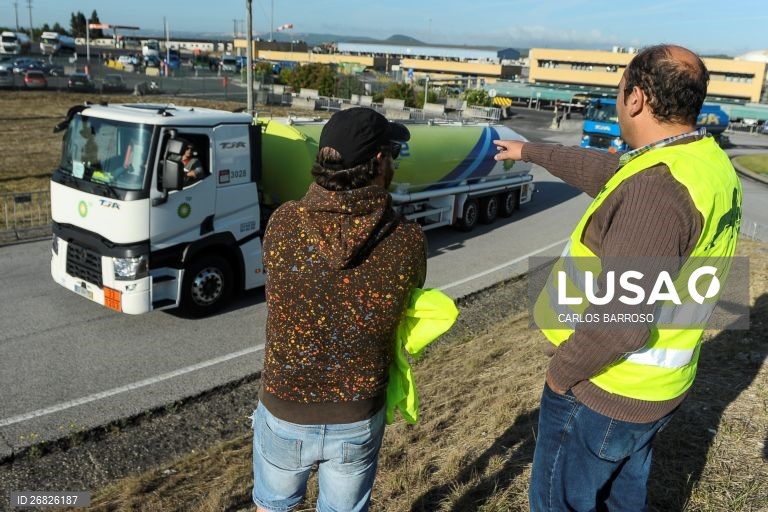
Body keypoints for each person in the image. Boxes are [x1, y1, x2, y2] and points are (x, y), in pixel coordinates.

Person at [494, 44, 742, 511]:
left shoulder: (655, 193)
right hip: (658, 387)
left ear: (636, 99)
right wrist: (530, 150)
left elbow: (621, 324)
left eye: (620, 88)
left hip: (604, 389)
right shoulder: (703, 162)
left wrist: (562, 375)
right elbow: (611, 171)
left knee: (558, 502)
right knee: (624, 498)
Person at [252, 107, 427, 512]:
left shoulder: (281, 223)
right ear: (379, 162)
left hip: (284, 407)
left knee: (272, 506)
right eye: (393, 152)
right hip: (357, 414)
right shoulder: (407, 241)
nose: (396, 161)